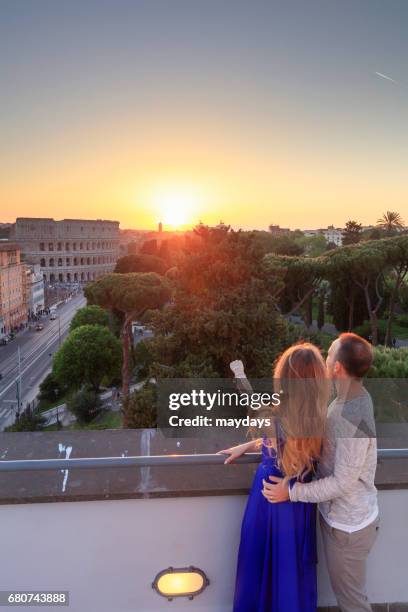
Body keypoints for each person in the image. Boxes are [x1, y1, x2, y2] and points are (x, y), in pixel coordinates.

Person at [263, 333, 379, 612]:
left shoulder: (352, 413)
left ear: (337, 367)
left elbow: (343, 482)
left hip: (347, 528)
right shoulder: (349, 399)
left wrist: (290, 491)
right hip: (343, 521)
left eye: (329, 353)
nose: (324, 358)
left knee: (352, 603)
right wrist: (256, 442)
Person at [218, 343, 329, 612]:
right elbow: (282, 441)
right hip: (296, 500)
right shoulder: (322, 416)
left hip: (269, 494)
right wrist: (247, 446)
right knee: (290, 570)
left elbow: (273, 435)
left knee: (260, 566)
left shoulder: (276, 413)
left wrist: (251, 443)